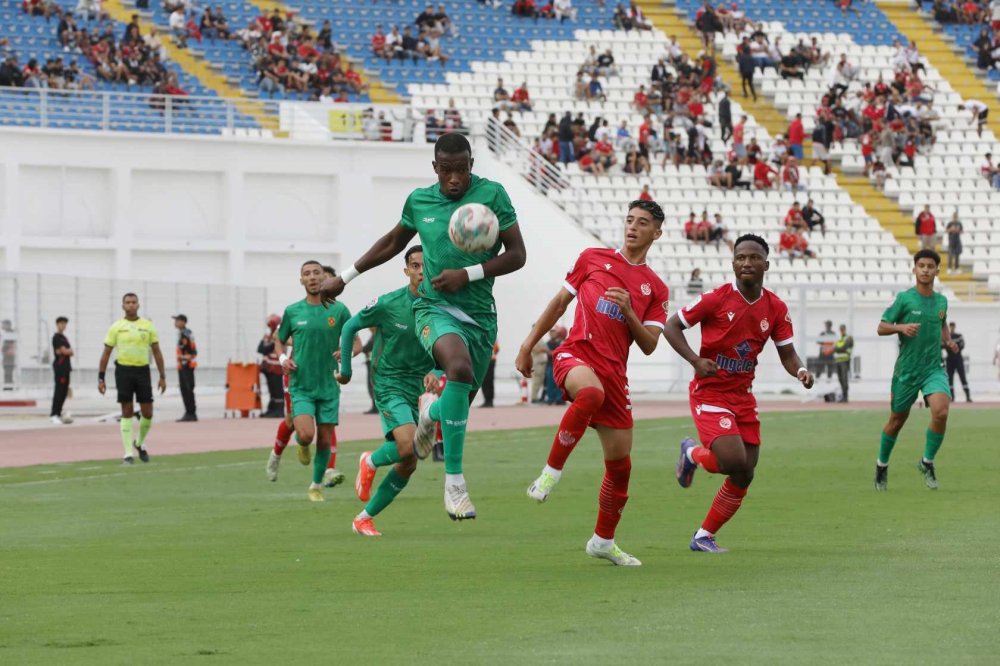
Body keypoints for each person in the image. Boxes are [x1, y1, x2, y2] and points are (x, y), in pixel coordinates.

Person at [320, 132, 527, 521]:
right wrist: (345, 277)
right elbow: (393, 242)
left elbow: (517, 255)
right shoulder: (420, 201)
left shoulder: (493, 196)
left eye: (461, 170)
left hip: (480, 316)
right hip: (433, 308)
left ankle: (430, 414)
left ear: (471, 166)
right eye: (446, 170)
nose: (454, 179)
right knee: (458, 368)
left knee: (458, 402)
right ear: (435, 168)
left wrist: (469, 273)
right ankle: (455, 484)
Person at [516, 199, 670, 566]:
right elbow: (559, 304)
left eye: (643, 222)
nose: (633, 226)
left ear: (656, 233)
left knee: (621, 469)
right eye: (629, 219)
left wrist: (630, 311)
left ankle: (603, 541)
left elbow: (649, 345)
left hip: (616, 374)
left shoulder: (655, 288)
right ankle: (549, 474)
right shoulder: (591, 258)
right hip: (577, 354)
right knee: (589, 394)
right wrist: (527, 345)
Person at [666, 234, 815, 553]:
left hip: (742, 396)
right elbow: (671, 326)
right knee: (733, 460)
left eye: (754, 257)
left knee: (745, 471)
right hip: (710, 393)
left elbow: (788, 354)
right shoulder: (715, 299)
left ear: (766, 264)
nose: (747, 262)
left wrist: (801, 371)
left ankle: (704, 535)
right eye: (741, 258)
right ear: (733, 263)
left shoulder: (775, 307)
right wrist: (695, 360)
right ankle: (691, 453)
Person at [336, 246, 437, 536]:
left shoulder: (442, 307)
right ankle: (370, 460)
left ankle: (363, 518)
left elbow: (451, 350)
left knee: (409, 461)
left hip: (418, 389)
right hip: (389, 382)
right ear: (406, 271)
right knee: (408, 446)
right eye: (415, 266)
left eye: (425, 266)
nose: (420, 272)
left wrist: (438, 372)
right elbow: (349, 327)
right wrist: (345, 369)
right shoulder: (388, 303)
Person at [874, 249, 959, 492]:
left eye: (930, 266)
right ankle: (882, 465)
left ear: (936, 270)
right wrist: (901, 327)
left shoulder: (942, 301)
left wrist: (948, 340)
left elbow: (941, 324)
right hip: (907, 371)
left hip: (933, 368)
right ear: (914, 269)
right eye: (921, 265)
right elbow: (881, 327)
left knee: (941, 412)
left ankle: (927, 462)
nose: (925, 270)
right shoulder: (904, 299)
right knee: (897, 420)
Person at [272, 261, 351, 501]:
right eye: (307, 274)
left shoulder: (339, 310)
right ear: (301, 280)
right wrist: (284, 357)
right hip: (301, 385)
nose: (313, 277)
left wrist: (346, 353)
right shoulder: (293, 311)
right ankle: (302, 444)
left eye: (316, 273)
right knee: (306, 434)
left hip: (329, 384)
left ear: (324, 278)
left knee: (325, 438)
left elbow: (354, 340)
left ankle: (315, 485)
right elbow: (279, 340)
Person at [97, 293, 167, 465]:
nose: (130, 305)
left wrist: (162, 376)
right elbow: (106, 353)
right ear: (123, 306)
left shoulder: (148, 326)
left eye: (133, 302)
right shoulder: (116, 327)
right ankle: (128, 453)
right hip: (123, 371)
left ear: (138, 305)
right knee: (126, 410)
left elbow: (157, 351)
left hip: (143, 371)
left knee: (148, 412)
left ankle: (139, 442)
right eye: (127, 302)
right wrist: (101, 378)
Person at [258, 314, 285, 418]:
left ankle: (279, 410)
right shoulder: (268, 336)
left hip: (276, 367)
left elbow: (266, 349)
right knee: (272, 390)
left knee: (277, 390)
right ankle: (272, 409)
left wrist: (268, 343)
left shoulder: (280, 335)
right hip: (268, 368)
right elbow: (260, 349)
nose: (270, 328)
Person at [172, 314, 198, 422]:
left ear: (183, 322)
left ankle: (191, 413)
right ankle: (189, 412)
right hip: (183, 365)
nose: (175, 323)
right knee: (185, 389)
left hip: (186, 365)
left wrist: (182, 357)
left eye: (177, 320)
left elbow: (193, 352)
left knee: (187, 389)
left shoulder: (186, 334)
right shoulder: (183, 334)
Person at [50, 316, 74, 425]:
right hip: (60, 367)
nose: (63, 325)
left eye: (65, 323)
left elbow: (69, 351)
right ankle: (54, 414)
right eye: (61, 323)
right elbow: (64, 351)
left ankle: (58, 413)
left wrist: (67, 351)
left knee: (64, 391)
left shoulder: (64, 338)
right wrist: (66, 351)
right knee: (59, 390)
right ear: (57, 324)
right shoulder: (56, 337)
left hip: (66, 367)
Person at [944, 321, 971, 403]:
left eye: (953, 327)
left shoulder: (959, 336)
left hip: (958, 359)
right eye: (950, 327)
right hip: (949, 360)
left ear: (955, 327)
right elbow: (942, 345)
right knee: (950, 379)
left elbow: (962, 345)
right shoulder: (946, 337)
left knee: (963, 377)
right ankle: (952, 397)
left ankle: (968, 396)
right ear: (949, 327)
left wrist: (953, 346)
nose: (951, 328)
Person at [834, 324, 853, 403]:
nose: (841, 331)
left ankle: (846, 396)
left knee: (844, 379)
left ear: (845, 329)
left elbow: (842, 347)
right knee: (840, 378)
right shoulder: (839, 340)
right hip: (838, 361)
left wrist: (838, 348)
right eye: (840, 329)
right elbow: (836, 348)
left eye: (842, 329)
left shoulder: (848, 338)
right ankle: (843, 395)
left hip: (845, 361)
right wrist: (838, 348)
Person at [480, 341, 498, 407]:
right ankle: (488, 400)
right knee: (488, 380)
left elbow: (496, 348)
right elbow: (497, 349)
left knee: (487, 380)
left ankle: (488, 400)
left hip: (488, 359)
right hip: (489, 359)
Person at [1, 319, 15, 389]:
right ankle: (8, 387)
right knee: (7, 372)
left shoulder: (10, 333)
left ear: (8, 325)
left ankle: (8, 387)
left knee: (8, 372)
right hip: (8, 356)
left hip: (9, 356)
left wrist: (2, 349)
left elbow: (9, 344)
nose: (2, 325)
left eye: (3, 324)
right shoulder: (7, 333)